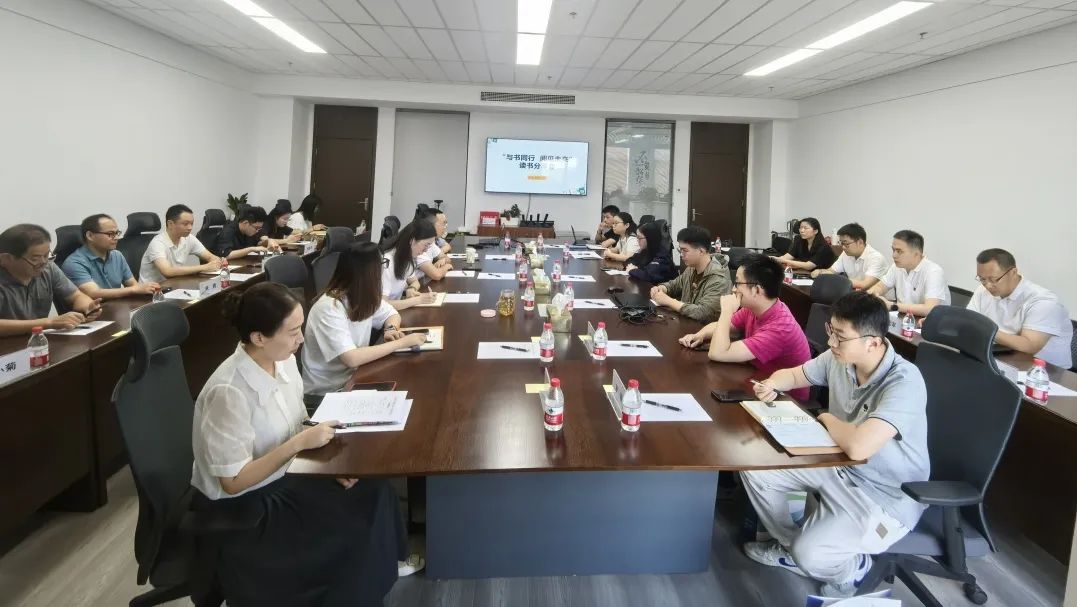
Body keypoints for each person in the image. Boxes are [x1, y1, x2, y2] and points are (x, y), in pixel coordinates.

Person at [192, 282, 418, 606]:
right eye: (293, 331)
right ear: (259, 338)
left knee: (373, 489)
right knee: (351, 528)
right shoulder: (229, 392)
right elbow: (233, 481)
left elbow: (298, 420)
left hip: (285, 474)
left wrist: (328, 467)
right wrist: (298, 445)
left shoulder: (282, 359)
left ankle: (378, 574)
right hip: (247, 504)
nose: (301, 339)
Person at [742, 291, 929, 598]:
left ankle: (851, 570)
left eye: (840, 337)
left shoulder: (905, 382)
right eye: (831, 331)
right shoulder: (840, 358)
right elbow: (797, 375)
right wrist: (773, 383)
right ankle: (791, 545)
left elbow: (859, 447)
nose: (830, 342)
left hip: (884, 495)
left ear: (873, 343)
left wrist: (826, 418)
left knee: (811, 553)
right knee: (756, 466)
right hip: (838, 465)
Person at [302, 243, 428, 402]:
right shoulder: (328, 307)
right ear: (369, 272)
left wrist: (390, 329)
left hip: (357, 376)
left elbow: (391, 313)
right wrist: (401, 343)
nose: (383, 270)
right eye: (382, 264)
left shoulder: (363, 295)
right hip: (328, 393)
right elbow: (351, 358)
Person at [678, 254, 812, 401]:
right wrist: (700, 335)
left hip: (783, 399)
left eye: (737, 283)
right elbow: (723, 326)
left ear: (756, 290)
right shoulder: (756, 308)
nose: (733, 289)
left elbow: (717, 353)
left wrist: (726, 311)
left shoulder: (780, 329)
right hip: (757, 380)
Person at [967, 248, 1072, 368]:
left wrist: (985, 329)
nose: (988, 285)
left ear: (1013, 272)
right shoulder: (983, 291)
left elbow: (1029, 345)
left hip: (1045, 371)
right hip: (1000, 358)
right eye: (982, 279)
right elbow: (969, 321)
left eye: (993, 279)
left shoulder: (1043, 301)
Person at [0, 224, 103, 336]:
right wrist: (48, 323)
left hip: (37, 340)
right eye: (35, 258)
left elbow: (76, 296)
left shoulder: (48, 269)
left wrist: (88, 307)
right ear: (6, 258)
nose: (44, 262)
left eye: (46, 255)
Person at [62, 213, 160, 299]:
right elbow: (94, 293)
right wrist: (133, 290)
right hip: (93, 312)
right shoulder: (74, 263)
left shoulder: (117, 255)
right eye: (110, 234)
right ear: (90, 236)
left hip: (118, 307)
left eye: (117, 233)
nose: (116, 237)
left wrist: (146, 288)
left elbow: (133, 285)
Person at [650, 226, 731, 322]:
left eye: (685, 250)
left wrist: (669, 301)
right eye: (680, 250)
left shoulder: (719, 278)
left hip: (707, 328)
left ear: (701, 251)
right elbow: (675, 285)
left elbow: (703, 313)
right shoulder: (691, 268)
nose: (681, 254)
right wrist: (662, 288)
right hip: (688, 323)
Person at [867, 230, 950, 318]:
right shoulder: (896, 267)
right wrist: (872, 295)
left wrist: (892, 306)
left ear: (916, 254)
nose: (894, 255)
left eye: (899, 251)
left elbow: (930, 309)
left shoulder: (934, 271)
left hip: (929, 321)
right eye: (893, 250)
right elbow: (881, 287)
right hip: (903, 317)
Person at [140, 204, 225, 283]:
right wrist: (205, 267)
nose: (190, 227)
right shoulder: (157, 243)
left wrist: (218, 261)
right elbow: (167, 271)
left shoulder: (189, 238)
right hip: (152, 291)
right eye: (185, 224)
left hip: (174, 285)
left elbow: (210, 257)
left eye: (192, 223)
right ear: (170, 224)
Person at [811, 223, 889, 291]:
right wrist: (820, 272)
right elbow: (832, 271)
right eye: (841, 243)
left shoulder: (876, 258)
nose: (843, 247)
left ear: (860, 242)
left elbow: (864, 284)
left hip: (876, 299)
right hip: (854, 293)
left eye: (846, 244)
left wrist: (836, 280)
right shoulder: (846, 254)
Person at [382, 221, 438, 310]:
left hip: (394, 313)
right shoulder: (386, 264)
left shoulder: (406, 259)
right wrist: (418, 300)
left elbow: (414, 281)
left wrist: (411, 289)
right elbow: (382, 305)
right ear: (412, 240)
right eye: (426, 245)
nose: (426, 250)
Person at [772, 217, 837, 272]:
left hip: (825, 275)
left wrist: (784, 261)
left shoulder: (823, 247)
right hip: (807, 274)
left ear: (815, 231)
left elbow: (809, 266)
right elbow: (789, 255)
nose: (802, 231)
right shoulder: (799, 240)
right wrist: (774, 259)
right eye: (800, 228)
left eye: (805, 228)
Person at [216, 205, 280, 259]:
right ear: (246, 223)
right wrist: (251, 249)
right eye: (256, 228)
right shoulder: (228, 231)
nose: (257, 231)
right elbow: (226, 255)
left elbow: (258, 243)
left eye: (259, 228)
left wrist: (269, 241)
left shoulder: (249, 231)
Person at [413, 206, 453, 280]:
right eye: (443, 224)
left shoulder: (430, 242)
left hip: (423, 281)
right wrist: (447, 266)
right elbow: (437, 275)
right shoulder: (418, 244)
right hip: (417, 284)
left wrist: (443, 260)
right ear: (431, 225)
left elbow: (446, 258)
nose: (445, 227)